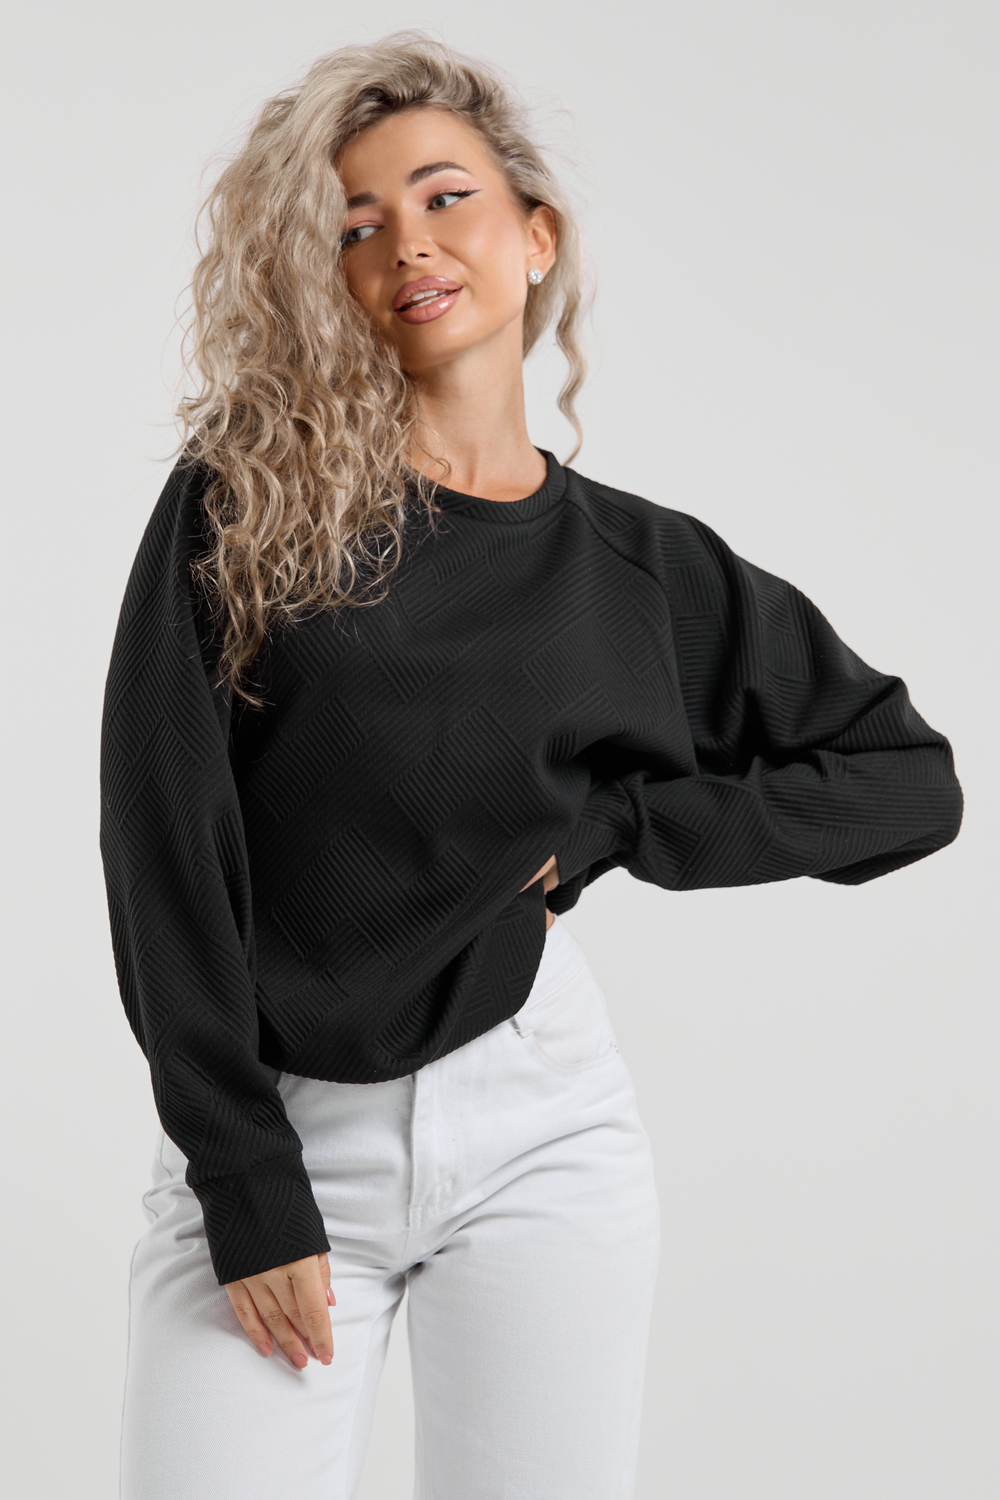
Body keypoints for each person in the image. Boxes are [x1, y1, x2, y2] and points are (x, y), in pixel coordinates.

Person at [99, 31, 963, 1500]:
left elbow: (907, 780)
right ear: (324, 276)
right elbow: (160, 830)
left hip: (541, 1127)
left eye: (446, 197)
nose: (408, 244)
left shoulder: (640, 569)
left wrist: (629, 826)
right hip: (282, 1119)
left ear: (535, 234)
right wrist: (242, 1173)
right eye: (356, 224)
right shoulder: (245, 501)